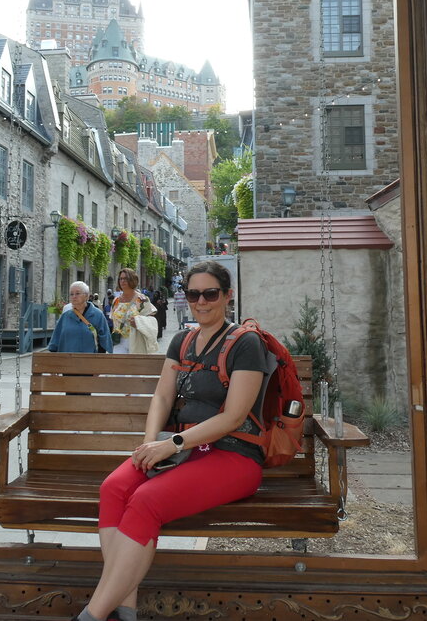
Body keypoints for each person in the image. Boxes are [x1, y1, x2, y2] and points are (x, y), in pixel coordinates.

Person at [71, 261, 271, 621]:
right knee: (113, 488)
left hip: (233, 455)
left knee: (146, 501)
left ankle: (93, 615)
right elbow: (162, 397)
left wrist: (172, 444)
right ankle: (125, 610)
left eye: (210, 294)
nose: (201, 302)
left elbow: (233, 416)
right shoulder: (183, 341)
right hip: (183, 451)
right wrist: (150, 444)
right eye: (193, 294)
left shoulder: (246, 343)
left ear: (228, 296)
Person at [48, 281, 113, 353]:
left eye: (77, 293)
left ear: (86, 296)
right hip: (67, 359)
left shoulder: (97, 315)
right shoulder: (65, 316)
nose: (74, 296)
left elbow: (105, 341)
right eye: (71, 294)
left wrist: (98, 358)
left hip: (89, 359)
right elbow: (54, 343)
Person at [110, 268, 159, 354]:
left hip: (136, 341)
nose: (122, 281)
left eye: (126, 278)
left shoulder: (142, 300)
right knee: (118, 362)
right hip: (118, 341)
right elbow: (113, 320)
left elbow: (151, 320)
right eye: (121, 279)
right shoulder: (116, 301)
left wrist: (138, 322)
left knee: (134, 362)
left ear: (132, 280)